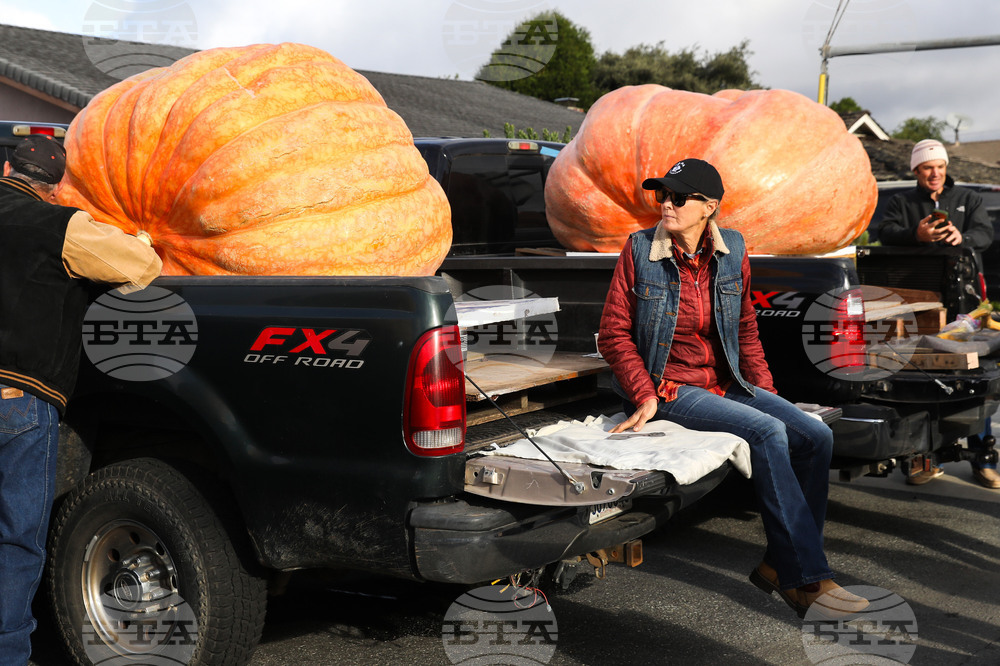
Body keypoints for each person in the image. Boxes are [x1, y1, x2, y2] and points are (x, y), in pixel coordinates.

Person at [598, 158, 869, 620]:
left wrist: (767, 392)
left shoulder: (734, 250)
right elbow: (613, 332)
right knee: (767, 433)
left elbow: (745, 328)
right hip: (670, 388)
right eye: (661, 194)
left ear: (710, 207)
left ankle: (779, 563)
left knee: (815, 435)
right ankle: (805, 578)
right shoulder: (640, 249)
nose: (666, 203)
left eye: (678, 196)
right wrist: (643, 392)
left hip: (727, 382)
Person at [0, 135, 162, 663]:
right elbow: (140, 267)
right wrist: (135, 234)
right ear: (57, 187)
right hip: (18, 397)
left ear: (4, 166)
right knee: (16, 541)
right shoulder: (61, 226)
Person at [878, 139, 999, 489]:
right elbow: (884, 233)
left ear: (946, 169)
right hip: (921, 303)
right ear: (916, 170)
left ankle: (983, 459)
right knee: (922, 379)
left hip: (964, 303)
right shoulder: (902, 201)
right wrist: (914, 234)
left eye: (940, 167)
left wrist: (963, 236)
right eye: (928, 167)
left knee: (975, 378)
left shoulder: (968, 200)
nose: (935, 173)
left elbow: (985, 234)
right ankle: (920, 461)